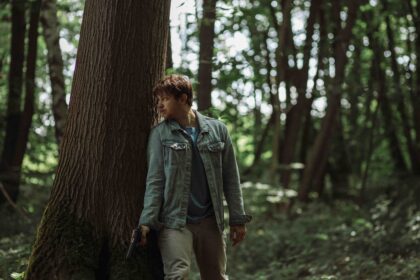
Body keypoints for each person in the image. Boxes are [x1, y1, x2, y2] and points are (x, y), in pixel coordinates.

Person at [138, 74, 252, 279]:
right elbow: (155, 180)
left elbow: (231, 178)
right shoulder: (159, 134)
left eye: (164, 99)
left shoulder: (218, 130)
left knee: (216, 276)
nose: (159, 106)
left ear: (183, 98)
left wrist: (237, 219)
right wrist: (147, 221)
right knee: (177, 275)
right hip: (175, 221)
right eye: (158, 101)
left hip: (210, 221)